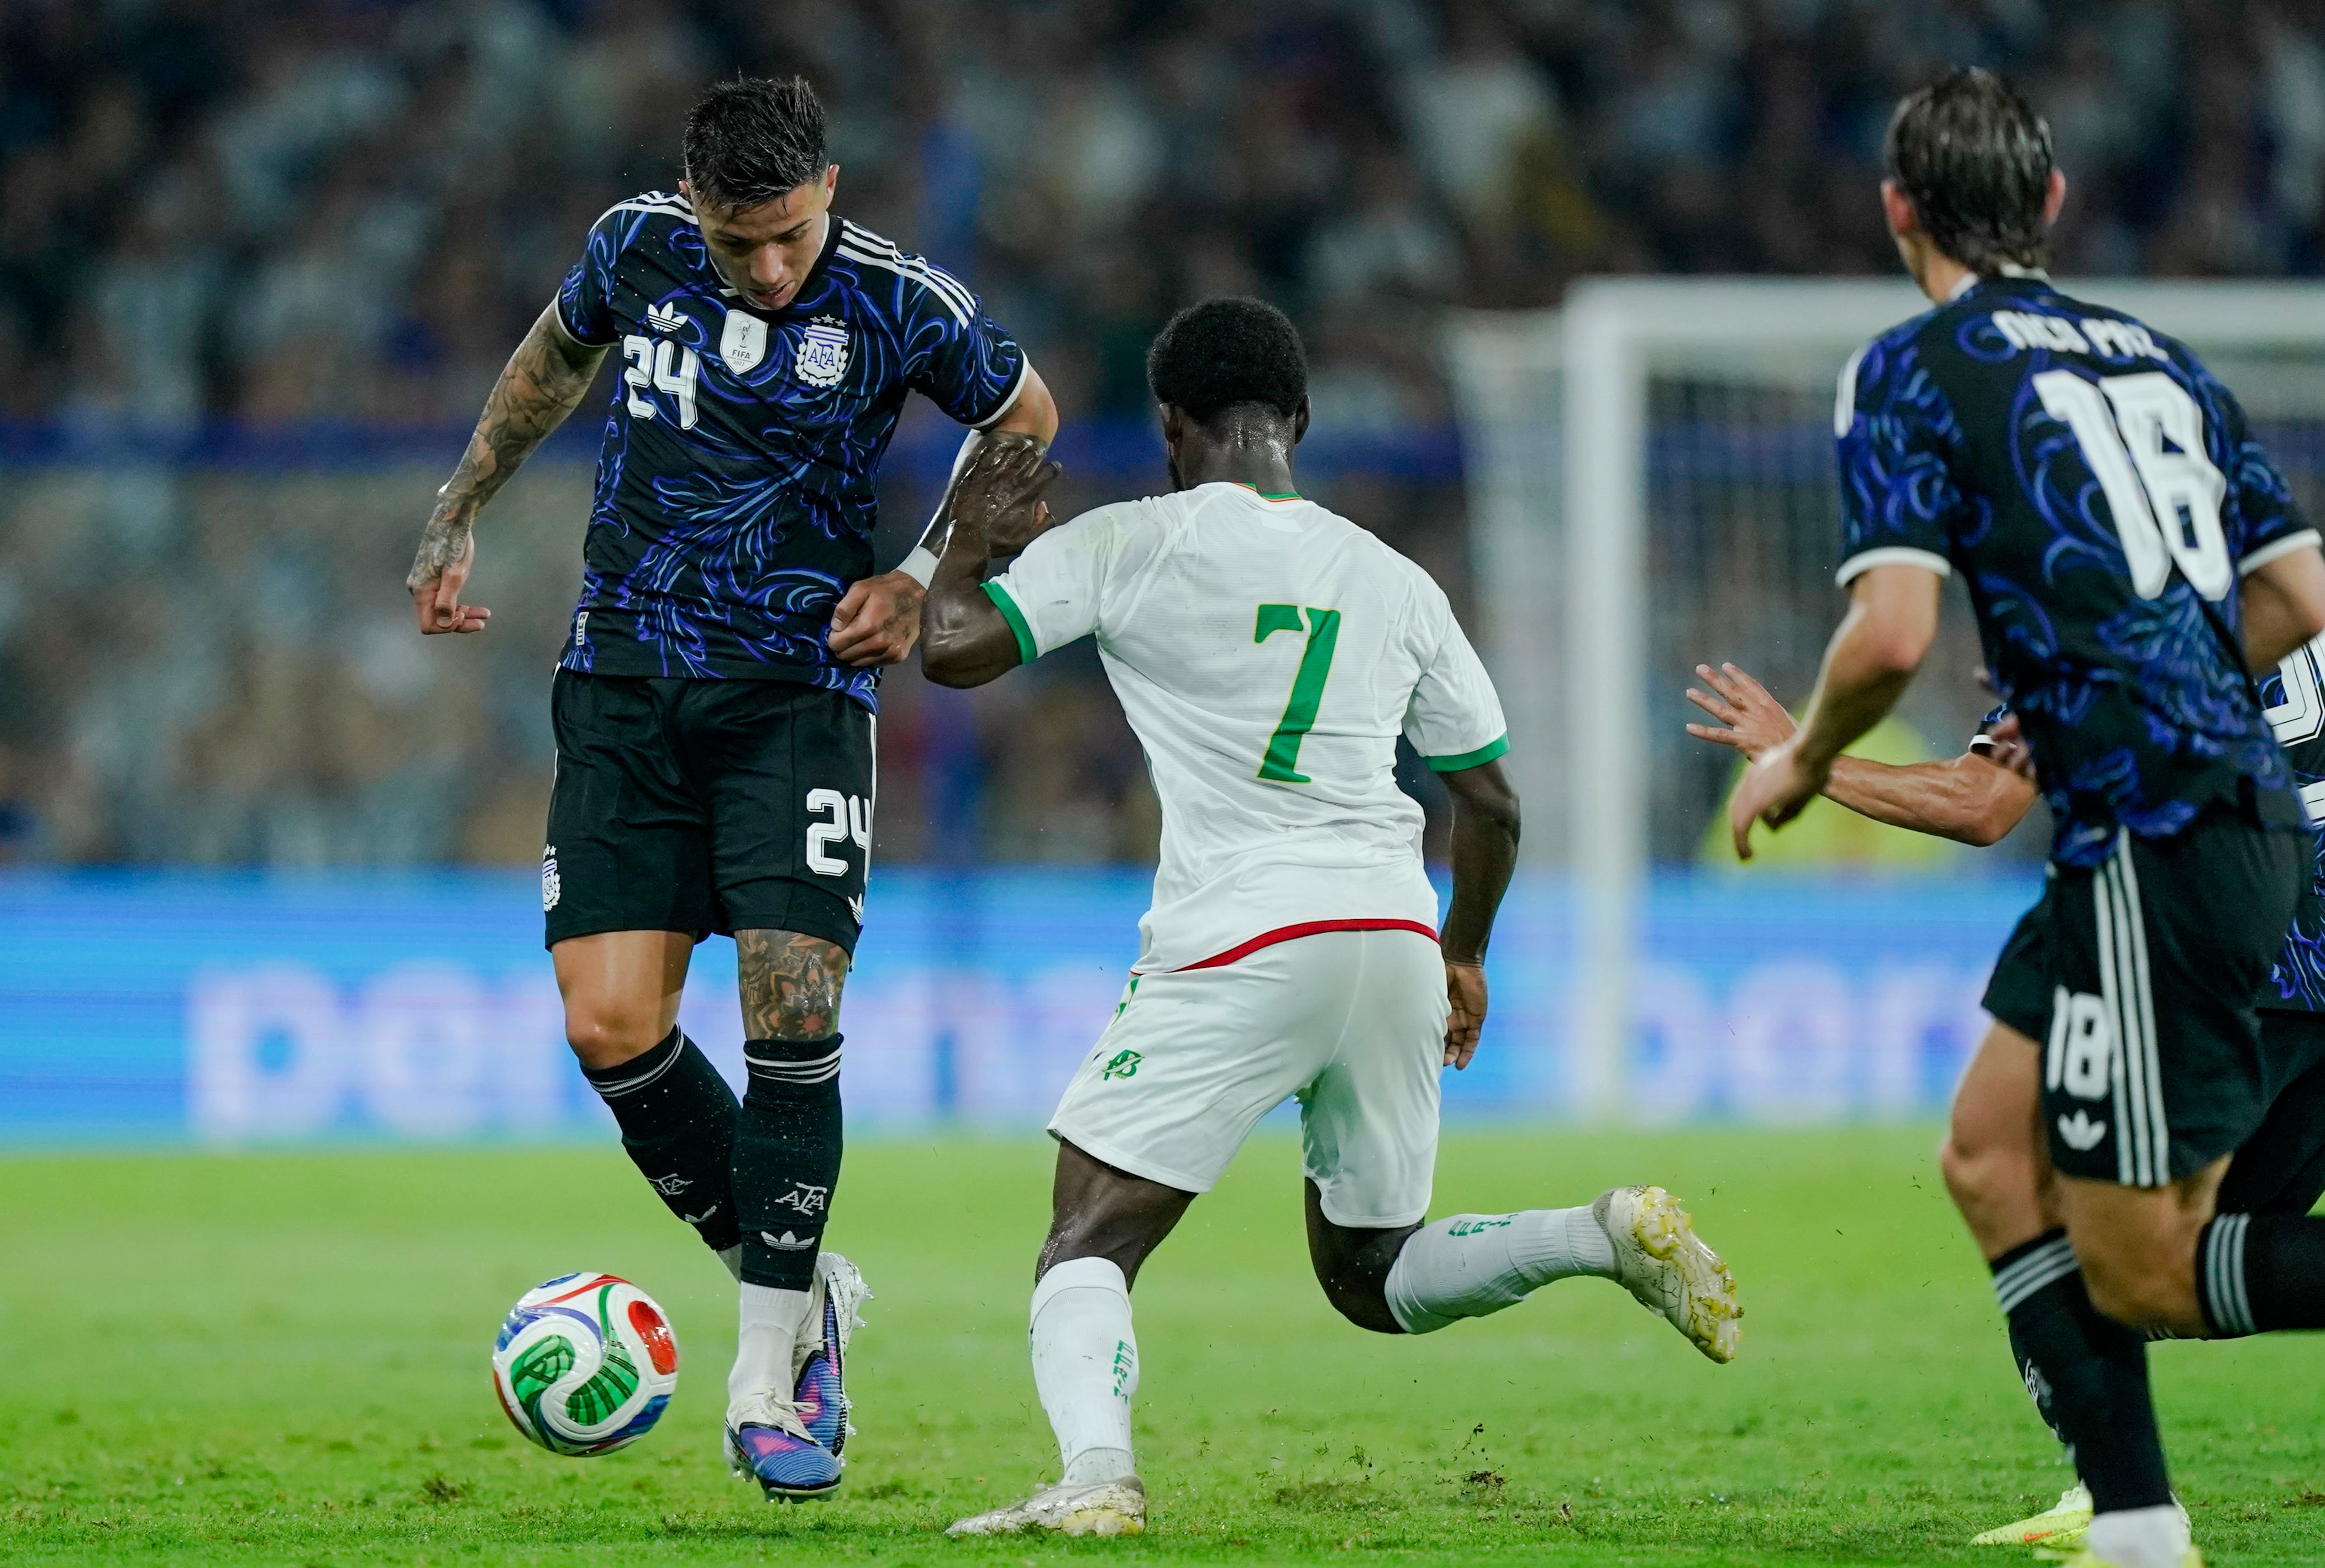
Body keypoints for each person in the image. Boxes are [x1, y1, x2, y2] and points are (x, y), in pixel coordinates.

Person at [916, 297, 1741, 1539]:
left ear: (1169, 426)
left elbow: (954, 650)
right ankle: (1597, 1235)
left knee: (1084, 1240)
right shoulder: (1393, 577)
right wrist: (1462, 953)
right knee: (1374, 1273)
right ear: (1296, 423)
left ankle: (1096, 1480)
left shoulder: (1132, 540)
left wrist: (967, 549)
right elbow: (1494, 803)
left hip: (1242, 934)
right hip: (1394, 933)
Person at [402, 76, 1059, 1501]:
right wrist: (461, 503)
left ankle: (770, 1383)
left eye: (789, 237)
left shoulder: (899, 300)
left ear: (828, 188)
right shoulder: (633, 242)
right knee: (610, 1026)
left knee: (790, 1010)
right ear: (694, 205)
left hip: (798, 699)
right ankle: (808, 1287)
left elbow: (1025, 416)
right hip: (624, 683)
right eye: (736, 241)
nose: (766, 269)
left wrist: (923, 572)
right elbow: (549, 360)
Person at [1723, 69, 2325, 1568]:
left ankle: (2134, 1520)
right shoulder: (2163, 360)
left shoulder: (1911, 368)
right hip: (2192, 817)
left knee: (2147, 1268)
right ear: (2051, 205)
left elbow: (1886, 637)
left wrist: (1802, 758)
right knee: (1989, 1151)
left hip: (2158, 825)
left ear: (1895, 213)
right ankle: (2136, 1522)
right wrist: (2155, 669)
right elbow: (2304, 598)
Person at [1690, 661, 2325, 1551]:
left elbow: (1978, 801)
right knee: (2159, 1272)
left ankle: (2126, 1509)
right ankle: (2121, 1503)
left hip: (2224, 964)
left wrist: (1798, 755)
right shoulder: (2290, 578)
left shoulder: (2092, 589)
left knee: (2044, 1222)